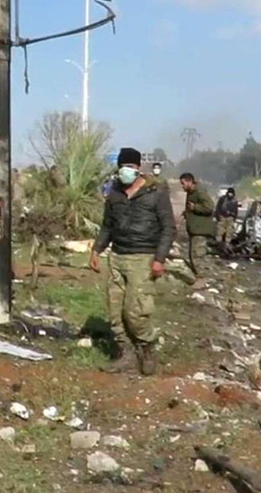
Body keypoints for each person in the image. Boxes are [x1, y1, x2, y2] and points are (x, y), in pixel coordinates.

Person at [89, 148, 175, 376]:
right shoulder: (114, 194)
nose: (126, 170)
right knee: (115, 311)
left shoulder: (155, 192)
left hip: (143, 258)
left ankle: (147, 347)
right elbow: (107, 226)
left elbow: (168, 227)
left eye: (131, 166)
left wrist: (159, 259)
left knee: (135, 312)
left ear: (138, 168)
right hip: (117, 256)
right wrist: (96, 250)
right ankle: (125, 353)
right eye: (123, 166)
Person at [180, 173, 215, 285]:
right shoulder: (191, 193)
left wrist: (195, 208)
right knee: (193, 255)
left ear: (190, 181)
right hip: (195, 229)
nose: (182, 186)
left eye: (183, 183)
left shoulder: (199, 192)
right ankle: (198, 277)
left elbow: (209, 207)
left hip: (200, 230)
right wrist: (187, 213)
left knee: (197, 255)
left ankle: (202, 279)